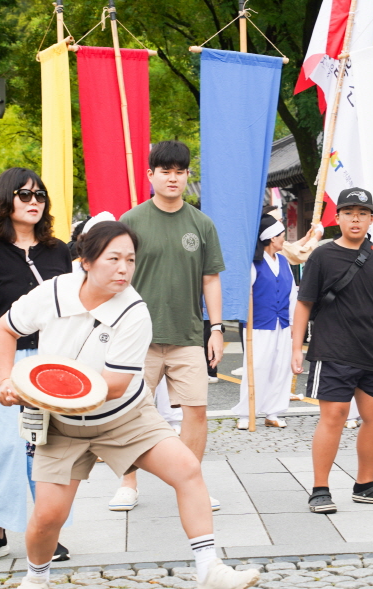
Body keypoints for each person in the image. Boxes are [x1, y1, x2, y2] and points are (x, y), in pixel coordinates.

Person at [0, 221, 259, 589]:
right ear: (85, 260)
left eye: (130, 260)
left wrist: (39, 391)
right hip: (61, 426)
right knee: (48, 516)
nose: (123, 268)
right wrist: (8, 380)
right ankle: (35, 581)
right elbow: (5, 329)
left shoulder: (134, 311)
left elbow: (114, 386)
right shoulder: (53, 292)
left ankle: (209, 567)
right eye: (113, 258)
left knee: (187, 469)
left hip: (124, 417)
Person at [0, 167, 72, 565]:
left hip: (49, 360)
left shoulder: (60, 252)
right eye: (25, 195)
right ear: (6, 201)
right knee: (1, 446)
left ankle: (46, 532)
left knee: (46, 446)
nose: (35, 201)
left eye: (40, 195)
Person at [115, 141, 225, 512]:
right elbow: (117, 277)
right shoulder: (130, 221)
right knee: (127, 411)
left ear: (187, 175)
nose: (173, 178)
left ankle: (190, 482)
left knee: (195, 411)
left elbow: (211, 279)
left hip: (188, 335)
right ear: (151, 175)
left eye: (180, 171)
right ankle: (127, 484)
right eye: (165, 171)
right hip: (137, 338)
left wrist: (217, 328)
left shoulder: (201, 224)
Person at [291, 187, 373, 514]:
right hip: (333, 350)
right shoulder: (322, 256)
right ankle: (320, 489)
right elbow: (304, 304)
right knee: (334, 417)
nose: (356, 219)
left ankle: (365, 484)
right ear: (337, 217)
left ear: (371, 219)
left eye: (363, 214)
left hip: (372, 351)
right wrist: (296, 347)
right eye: (349, 213)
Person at [233, 214, 296, 430]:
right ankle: (246, 412)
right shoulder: (254, 263)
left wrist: (294, 324)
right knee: (256, 367)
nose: (283, 239)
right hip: (258, 325)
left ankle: (274, 411)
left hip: (282, 323)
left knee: (280, 367)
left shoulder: (285, 262)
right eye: (281, 235)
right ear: (271, 238)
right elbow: (244, 295)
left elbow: (292, 295)